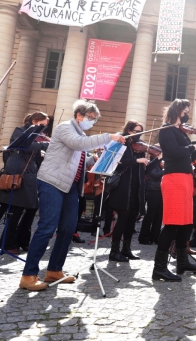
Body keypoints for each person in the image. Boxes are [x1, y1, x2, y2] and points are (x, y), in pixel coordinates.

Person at [19, 100, 124, 291]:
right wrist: (109, 137)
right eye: (91, 118)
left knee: (68, 229)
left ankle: (54, 270)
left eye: (94, 119)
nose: (92, 121)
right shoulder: (66, 127)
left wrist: (95, 159)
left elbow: (77, 159)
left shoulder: (80, 133)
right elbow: (77, 144)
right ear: (79, 115)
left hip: (70, 187)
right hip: (52, 182)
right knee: (47, 227)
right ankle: (28, 275)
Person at [152, 99, 196, 282]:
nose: (187, 113)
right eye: (185, 110)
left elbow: (192, 155)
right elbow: (173, 152)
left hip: (185, 179)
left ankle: (182, 262)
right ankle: (159, 269)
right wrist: (192, 146)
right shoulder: (166, 130)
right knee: (172, 223)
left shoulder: (180, 132)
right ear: (178, 111)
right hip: (174, 178)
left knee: (186, 223)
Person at [0, 112, 50, 254]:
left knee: (32, 208)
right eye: (43, 125)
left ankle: (23, 240)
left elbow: (37, 157)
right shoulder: (20, 131)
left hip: (31, 174)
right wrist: (44, 144)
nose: (44, 129)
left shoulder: (38, 136)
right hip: (19, 172)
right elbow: (26, 146)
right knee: (16, 210)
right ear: (34, 121)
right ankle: (8, 243)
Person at [106, 121, 148, 262]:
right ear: (129, 130)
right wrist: (137, 161)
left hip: (136, 189)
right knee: (122, 220)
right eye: (136, 131)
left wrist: (156, 159)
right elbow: (119, 162)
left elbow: (145, 168)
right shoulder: (121, 143)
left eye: (141, 131)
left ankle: (126, 249)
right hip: (124, 188)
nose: (139, 134)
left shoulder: (139, 147)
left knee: (131, 221)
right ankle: (114, 251)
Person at [139, 155, 164, 245]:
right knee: (150, 214)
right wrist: (166, 170)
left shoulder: (159, 165)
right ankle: (144, 237)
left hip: (160, 190)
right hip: (152, 191)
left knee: (159, 215)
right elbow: (155, 175)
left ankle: (155, 236)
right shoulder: (151, 164)